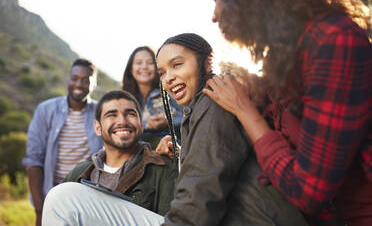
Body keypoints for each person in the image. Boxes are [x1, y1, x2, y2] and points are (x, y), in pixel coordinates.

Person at [42, 33, 308, 226]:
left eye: (177, 64)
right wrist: (182, 154)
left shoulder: (214, 100)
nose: (167, 77)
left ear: (206, 62)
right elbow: (213, 161)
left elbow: (200, 196)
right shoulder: (197, 113)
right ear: (98, 127)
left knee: (64, 199)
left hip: (247, 220)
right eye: (162, 71)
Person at [203, 0, 372, 225]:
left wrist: (244, 109)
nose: (214, 16)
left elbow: (308, 191)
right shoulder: (287, 54)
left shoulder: (334, 40)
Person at [43, 91, 177, 222]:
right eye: (112, 115)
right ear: (98, 128)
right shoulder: (79, 174)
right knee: (59, 195)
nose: (122, 121)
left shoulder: (163, 167)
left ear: (141, 124)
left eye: (130, 114)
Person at [22, 58, 103, 226]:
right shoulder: (45, 110)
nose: (78, 84)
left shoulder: (101, 112)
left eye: (85, 80)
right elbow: (33, 160)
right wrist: (39, 209)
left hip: (88, 199)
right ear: (68, 79)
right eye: (74, 78)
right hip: (52, 197)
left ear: (94, 84)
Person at [122, 46, 183, 148]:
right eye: (138, 63)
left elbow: (189, 117)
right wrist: (145, 125)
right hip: (136, 152)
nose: (144, 67)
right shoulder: (123, 99)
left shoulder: (169, 90)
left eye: (150, 63)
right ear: (130, 68)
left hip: (171, 148)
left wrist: (170, 121)